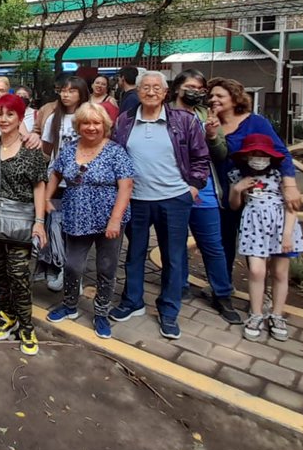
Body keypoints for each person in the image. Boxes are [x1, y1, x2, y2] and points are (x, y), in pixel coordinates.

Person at [109, 70, 210, 340]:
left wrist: (193, 188)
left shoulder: (184, 121)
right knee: (135, 253)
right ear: (137, 91)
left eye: (157, 87)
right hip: (137, 200)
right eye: (145, 87)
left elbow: (201, 158)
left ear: (166, 93)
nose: (151, 91)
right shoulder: (124, 122)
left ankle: (168, 310)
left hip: (174, 200)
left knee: (173, 258)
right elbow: (116, 158)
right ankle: (132, 301)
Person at [43, 103, 135, 339]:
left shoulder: (115, 151)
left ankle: (101, 313)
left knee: (106, 267)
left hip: (109, 219)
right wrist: (46, 198)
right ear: (78, 126)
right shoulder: (69, 149)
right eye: (86, 123)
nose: (91, 127)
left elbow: (126, 187)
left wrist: (115, 220)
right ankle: (69, 305)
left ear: (104, 126)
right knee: (73, 264)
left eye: (96, 123)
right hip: (77, 216)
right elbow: (55, 173)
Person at [0, 94, 49, 356]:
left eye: (10, 114)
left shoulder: (31, 150)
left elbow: (40, 185)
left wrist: (39, 222)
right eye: (0, 113)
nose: (4, 119)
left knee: (18, 275)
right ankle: (8, 314)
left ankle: (26, 326)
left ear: (19, 117)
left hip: (19, 223)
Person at [169, 70, 242, 325]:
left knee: (212, 244)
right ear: (178, 87)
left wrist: (212, 136)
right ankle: (177, 288)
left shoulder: (207, 116)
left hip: (205, 190)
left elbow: (221, 154)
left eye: (200, 88)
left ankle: (222, 294)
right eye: (191, 86)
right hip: (171, 189)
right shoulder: (164, 113)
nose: (197, 92)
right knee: (174, 244)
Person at [209, 77, 301, 277]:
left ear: (234, 99)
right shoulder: (210, 125)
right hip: (225, 191)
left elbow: (281, 152)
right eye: (211, 96)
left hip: (257, 194)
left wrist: (290, 184)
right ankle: (223, 287)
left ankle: (260, 293)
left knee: (259, 246)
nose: (213, 99)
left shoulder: (255, 122)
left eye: (219, 95)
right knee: (223, 241)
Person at [228, 134, 303, 342]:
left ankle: (277, 315)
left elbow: (292, 206)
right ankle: (256, 314)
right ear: (245, 156)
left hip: (281, 228)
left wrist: (287, 235)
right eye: (253, 154)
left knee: (280, 272)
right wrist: (237, 189)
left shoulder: (281, 175)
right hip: (254, 227)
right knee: (256, 270)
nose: (258, 158)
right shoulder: (238, 175)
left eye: (263, 154)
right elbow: (234, 205)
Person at [39, 76, 90, 292]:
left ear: (81, 93)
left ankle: (75, 276)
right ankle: (61, 269)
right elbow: (46, 151)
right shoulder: (54, 118)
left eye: (71, 91)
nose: (66, 94)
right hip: (58, 183)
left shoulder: (88, 116)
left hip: (82, 183)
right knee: (57, 228)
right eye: (63, 90)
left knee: (78, 230)